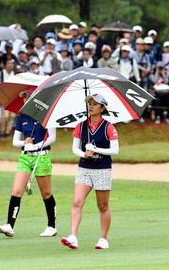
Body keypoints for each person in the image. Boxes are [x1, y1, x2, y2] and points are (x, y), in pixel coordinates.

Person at [0, 90, 57, 238]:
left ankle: (51, 226)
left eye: (28, 98)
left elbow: (52, 137)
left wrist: (37, 145)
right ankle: (9, 225)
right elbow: (15, 141)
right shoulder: (21, 118)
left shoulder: (47, 116)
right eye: (23, 98)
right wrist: (25, 143)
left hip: (41, 156)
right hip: (25, 157)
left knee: (46, 193)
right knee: (16, 191)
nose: (25, 101)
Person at [61, 93, 119, 250]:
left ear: (102, 107)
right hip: (84, 168)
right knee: (77, 202)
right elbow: (74, 148)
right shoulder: (81, 125)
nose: (91, 106)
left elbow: (115, 150)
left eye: (95, 104)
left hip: (102, 169)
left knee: (103, 206)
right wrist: (84, 154)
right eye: (89, 103)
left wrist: (96, 149)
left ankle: (103, 239)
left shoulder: (108, 126)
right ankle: (73, 236)